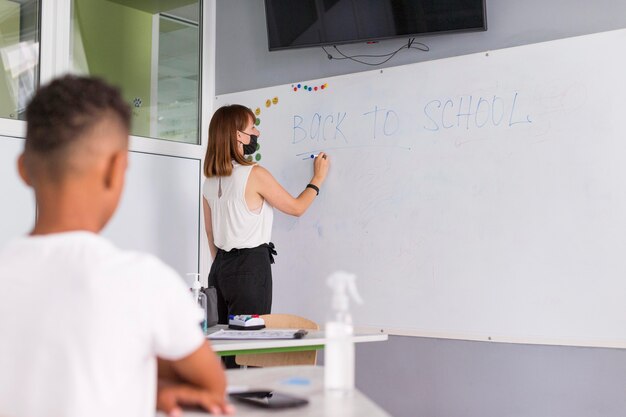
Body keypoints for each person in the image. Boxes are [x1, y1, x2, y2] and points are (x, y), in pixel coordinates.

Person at [0, 75, 233, 417]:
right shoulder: (143, 280)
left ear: (23, 170)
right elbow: (210, 384)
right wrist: (153, 383)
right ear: (116, 169)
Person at [203, 104, 329, 325]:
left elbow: (210, 232)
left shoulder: (209, 182)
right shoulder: (254, 174)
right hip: (250, 268)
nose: (257, 133)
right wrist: (318, 178)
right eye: (252, 127)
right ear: (238, 135)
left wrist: (225, 266)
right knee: (250, 348)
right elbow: (297, 208)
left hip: (219, 271)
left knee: (223, 344)